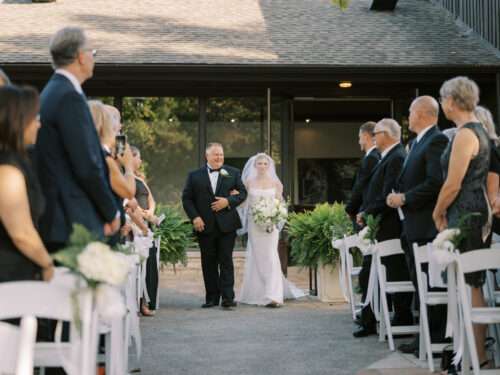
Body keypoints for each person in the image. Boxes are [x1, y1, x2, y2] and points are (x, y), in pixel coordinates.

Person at [36, 27, 120, 251]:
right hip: (71, 221)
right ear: (81, 57)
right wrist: (110, 211)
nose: (93, 57)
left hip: (59, 217)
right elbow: (86, 164)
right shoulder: (69, 97)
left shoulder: (51, 92)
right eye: (92, 52)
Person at [433, 76, 491, 369]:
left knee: (469, 283)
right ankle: (470, 354)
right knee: (469, 284)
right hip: (472, 211)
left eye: (443, 99)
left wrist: (437, 211)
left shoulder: (466, 135)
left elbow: (453, 184)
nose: (442, 104)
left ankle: (473, 355)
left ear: (453, 101)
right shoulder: (477, 131)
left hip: (465, 213)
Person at [386, 96, 449, 354]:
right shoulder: (415, 143)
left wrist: (405, 198)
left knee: (431, 283)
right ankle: (424, 335)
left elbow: (436, 182)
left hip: (427, 226)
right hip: (411, 225)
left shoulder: (437, 140)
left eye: (410, 111)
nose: (408, 116)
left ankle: (435, 337)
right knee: (419, 284)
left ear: (423, 113)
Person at [354, 118, 412, 337]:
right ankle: (377, 318)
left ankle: (397, 319)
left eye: (376, 133)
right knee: (375, 273)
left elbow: (387, 192)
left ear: (386, 135)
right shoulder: (388, 156)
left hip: (390, 226)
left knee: (392, 272)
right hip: (380, 223)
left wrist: (367, 212)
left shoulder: (396, 157)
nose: (372, 137)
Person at [182, 142, 247, 309]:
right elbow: (187, 199)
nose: (219, 157)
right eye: (215, 154)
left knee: (226, 261)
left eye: (221, 154)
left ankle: (228, 298)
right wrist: (195, 217)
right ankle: (211, 298)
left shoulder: (233, 173)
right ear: (207, 156)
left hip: (227, 225)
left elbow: (243, 193)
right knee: (208, 262)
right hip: (204, 225)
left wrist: (228, 201)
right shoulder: (194, 175)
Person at [236, 153, 306, 307]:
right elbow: (244, 204)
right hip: (255, 226)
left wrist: (275, 215)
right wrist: (234, 198)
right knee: (258, 257)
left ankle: (274, 295)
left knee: (271, 256)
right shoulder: (248, 182)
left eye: (265, 164)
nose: (262, 166)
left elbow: (281, 204)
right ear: (254, 166)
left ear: (269, 166)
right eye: (259, 163)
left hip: (270, 227)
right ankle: (258, 292)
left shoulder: (276, 183)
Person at [0, 85, 54, 282]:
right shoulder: (7, 170)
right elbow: (21, 233)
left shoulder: (19, 161)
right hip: (9, 279)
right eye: (36, 118)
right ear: (19, 120)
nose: (39, 124)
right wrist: (47, 264)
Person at [130, 146, 161, 316]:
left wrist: (150, 212)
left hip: (146, 223)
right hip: (135, 224)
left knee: (149, 265)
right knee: (138, 265)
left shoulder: (140, 179)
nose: (141, 161)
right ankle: (136, 302)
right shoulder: (125, 178)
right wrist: (144, 216)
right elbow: (129, 202)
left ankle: (146, 301)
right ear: (131, 157)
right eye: (139, 157)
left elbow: (151, 199)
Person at [346, 121, 381, 226]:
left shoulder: (371, 158)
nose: (359, 142)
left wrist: (349, 210)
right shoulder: (377, 156)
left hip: (366, 214)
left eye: (359, 137)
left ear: (366, 136)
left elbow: (360, 187)